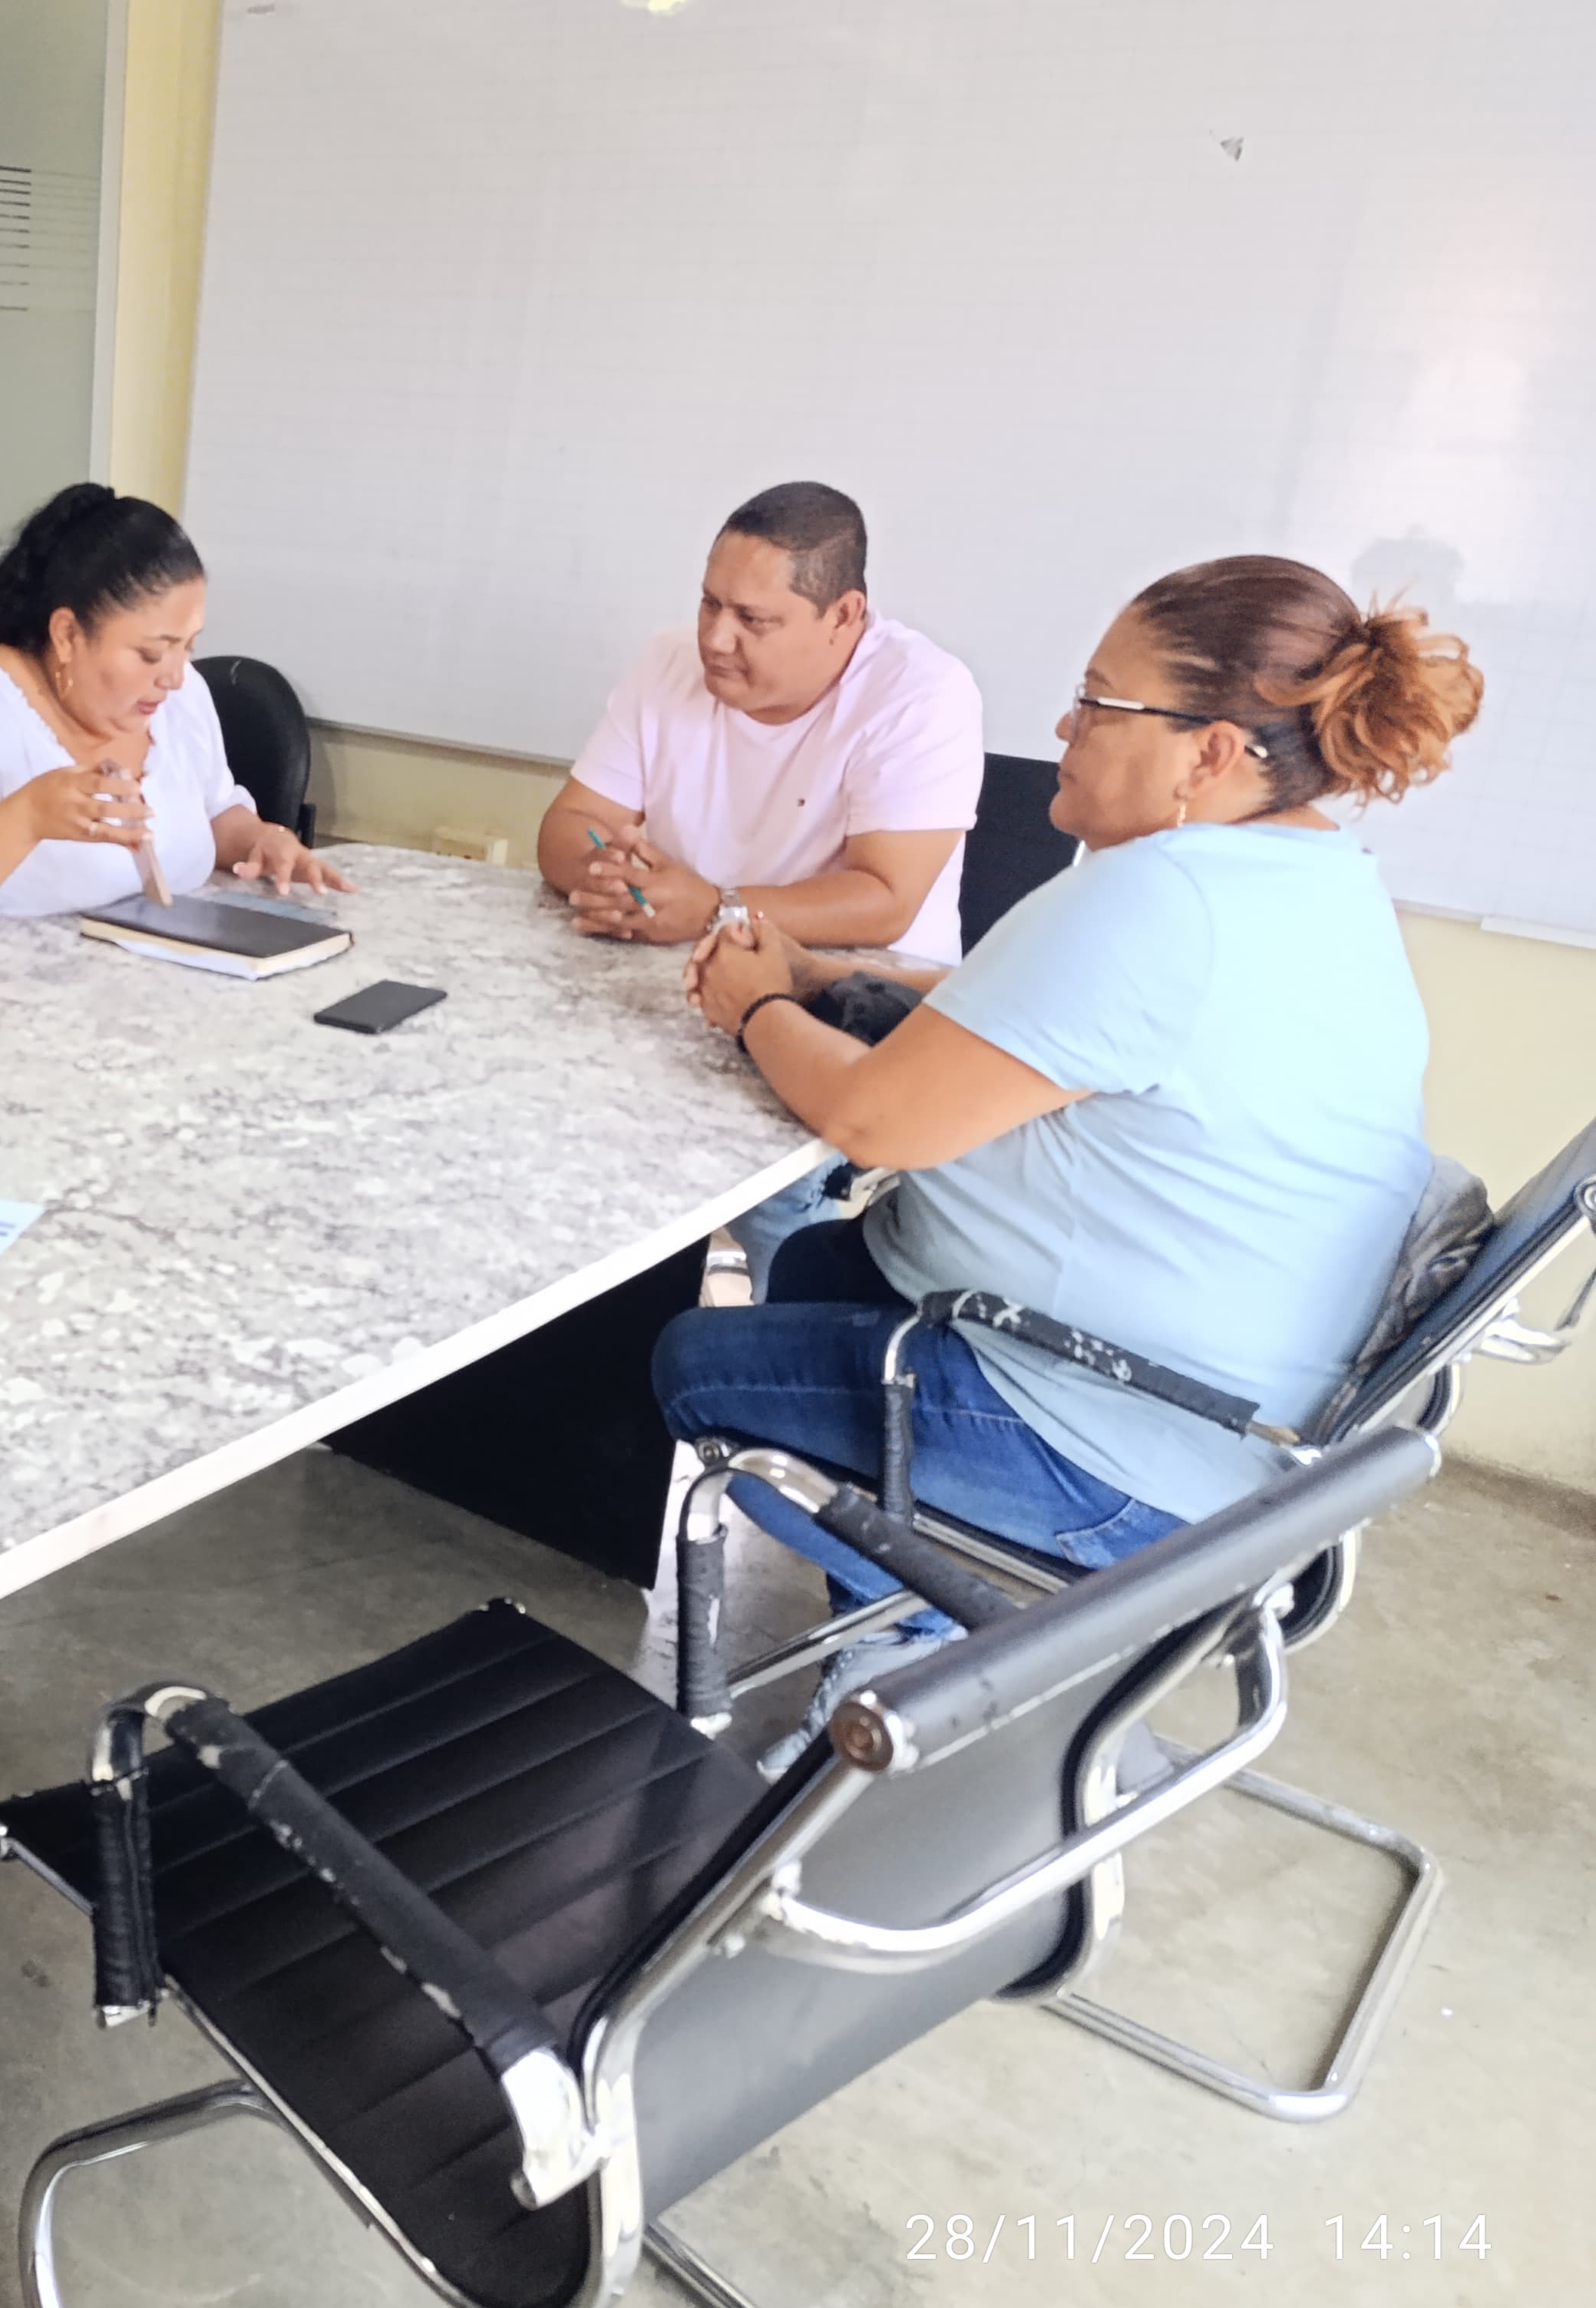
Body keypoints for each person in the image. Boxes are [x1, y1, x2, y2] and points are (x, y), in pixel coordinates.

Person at [650, 555, 1482, 1770]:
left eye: (1100, 704)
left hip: (1120, 1448)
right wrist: (826, 976)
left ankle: (921, 1643)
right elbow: (1039, 1022)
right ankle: (905, 1604)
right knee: (829, 1261)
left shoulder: (1160, 902)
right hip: (1250, 1428)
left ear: (1211, 753)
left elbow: (877, 1123)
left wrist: (754, 1009)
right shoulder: (1310, 876)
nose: (1063, 728)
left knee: (699, 1363)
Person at [535, 482, 986, 1265]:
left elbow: (886, 898)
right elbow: (567, 827)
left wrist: (715, 907)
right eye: (710, 604)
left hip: (844, 1007)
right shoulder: (667, 660)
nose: (716, 637)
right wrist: (617, 883)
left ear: (844, 616)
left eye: (753, 619)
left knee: (776, 1222)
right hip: (668, 983)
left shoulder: (922, 692)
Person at [0, 483, 349, 937]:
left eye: (188, 647)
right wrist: (27, 818)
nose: (175, 676)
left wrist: (263, 840)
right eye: (151, 653)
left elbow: (214, 812)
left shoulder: (181, 697)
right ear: (68, 635)